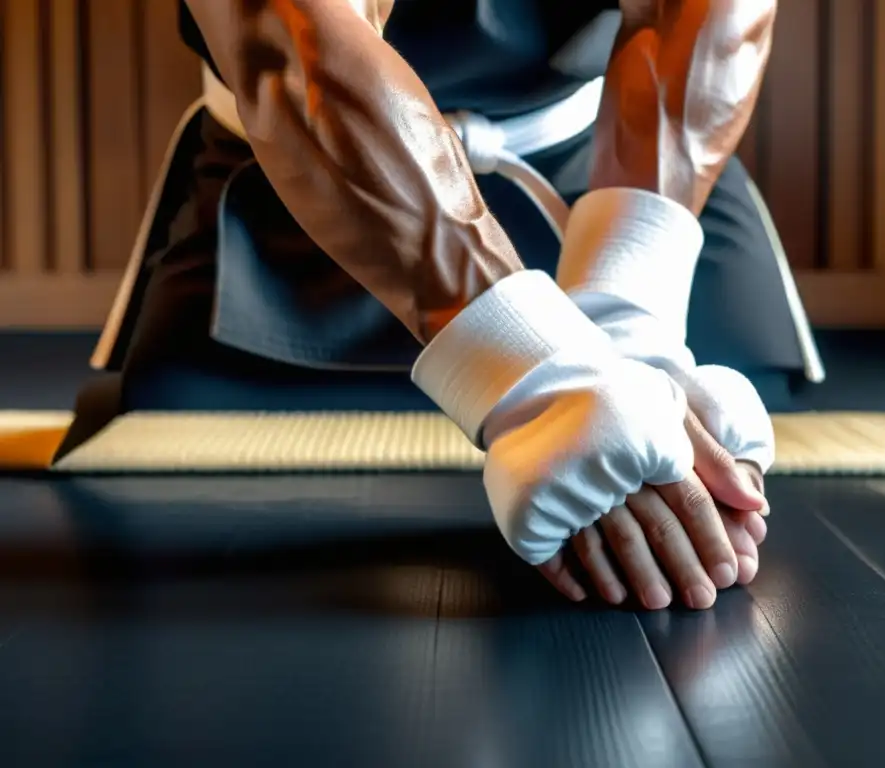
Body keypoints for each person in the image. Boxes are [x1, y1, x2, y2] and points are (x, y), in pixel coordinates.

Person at [87, 0, 819, 610]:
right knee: (160, 486)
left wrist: (632, 313)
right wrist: (544, 375)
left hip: (610, 165)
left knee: (722, 471)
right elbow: (296, 32)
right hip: (296, 182)